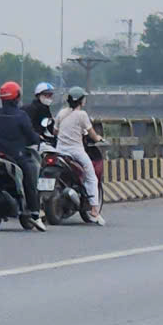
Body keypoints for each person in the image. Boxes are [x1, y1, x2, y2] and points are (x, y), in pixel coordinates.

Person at [0, 80, 44, 231]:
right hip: (16, 156)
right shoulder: (21, 116)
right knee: (30, 174)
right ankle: (35, 213)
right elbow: (31, 136)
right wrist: (37, 138)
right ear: (17, 97)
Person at [50, 87, 104, 225]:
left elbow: (55, 132)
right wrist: (98, 138)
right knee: (91, 176)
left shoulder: (61, 113)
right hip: (76, 151)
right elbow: (91, 133)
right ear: (81, 101)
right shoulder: (82, 115)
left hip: (60, 150)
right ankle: (94, 209)